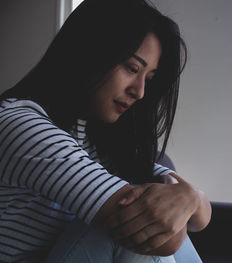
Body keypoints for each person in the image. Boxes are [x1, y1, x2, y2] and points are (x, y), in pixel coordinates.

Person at [0, 0, 211, 262]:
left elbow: (201, 217)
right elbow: (165, 239)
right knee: (131, 225)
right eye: (132, 69)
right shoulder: (22, 125)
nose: (140, 91)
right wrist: (177, 205)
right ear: (90, 52)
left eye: (149, 79)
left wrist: (191, 197)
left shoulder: (95, 136)